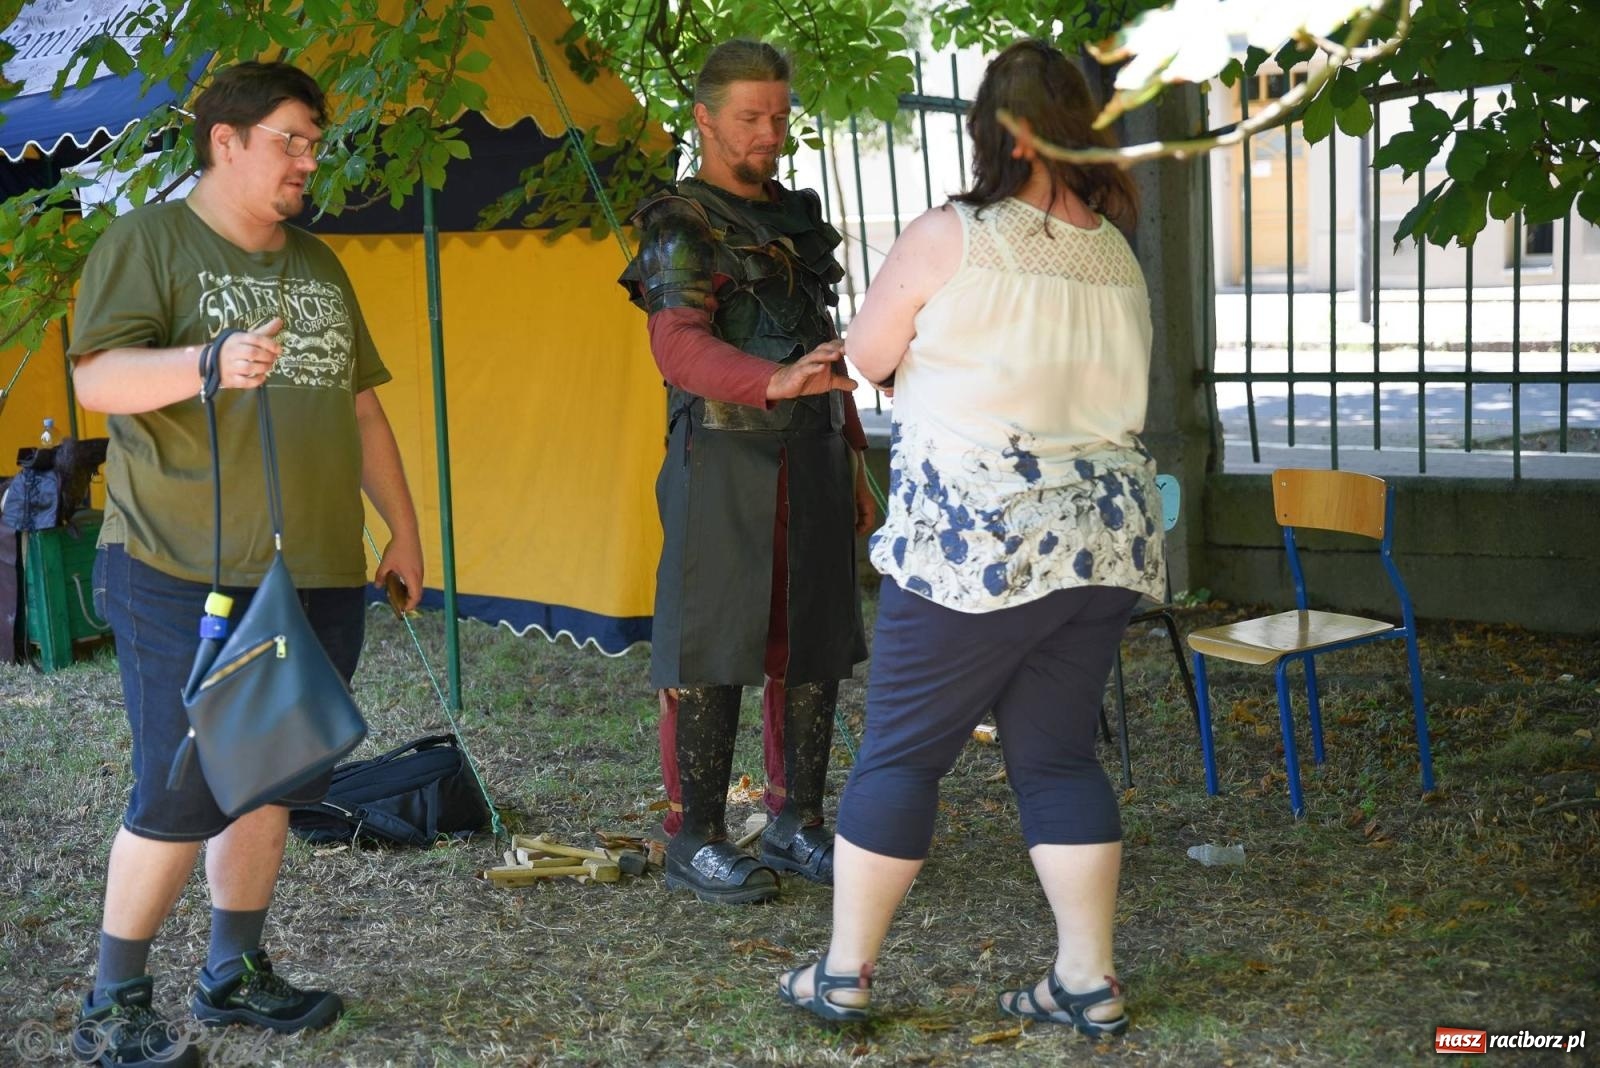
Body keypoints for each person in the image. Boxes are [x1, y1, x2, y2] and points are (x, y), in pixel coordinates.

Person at [776, 40, 1165, 1035]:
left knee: (901, 760)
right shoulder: (1116, 251)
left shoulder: (953, 235)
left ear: (993, 129)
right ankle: (1085, 981)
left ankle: (844, 975)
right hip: (1098, 544)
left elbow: (868, 355)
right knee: (1058, 758)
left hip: (974, 547)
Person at [67, 61, 424, 1066]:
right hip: (179, 566)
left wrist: (401, 525)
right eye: (292, 140)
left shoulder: (317, 264)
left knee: (269, 776)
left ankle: (232, 974)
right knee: (181, 789)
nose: (311, 159)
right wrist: (205, 363)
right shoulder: (149, 243)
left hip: (314, 567)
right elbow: (97, 377)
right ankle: (112, 1002)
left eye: (315, 140)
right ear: (226, 141)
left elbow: (359, 404)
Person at [619, 39, 874, 905]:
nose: (770, 132)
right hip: (721, 457)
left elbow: (824, 352)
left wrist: (856, 461)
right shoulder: (678, 222)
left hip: (816, 457)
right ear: (704, 119)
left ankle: (798, 819)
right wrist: (769, 381)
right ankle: (695, 837)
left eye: (778, 115)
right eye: (749, 118)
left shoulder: (798, 217)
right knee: (713, 643)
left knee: (813, 641)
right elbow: (677, 345)